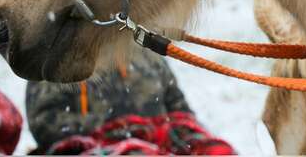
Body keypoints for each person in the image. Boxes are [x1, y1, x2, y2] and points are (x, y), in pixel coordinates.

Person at [26, 49, 234, 155]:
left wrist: (171, 133)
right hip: (96, 148)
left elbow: (178, 106)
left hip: (162, 143)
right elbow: (45, 124)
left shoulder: (142, 48)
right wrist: (118, 131)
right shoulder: (57, 57)